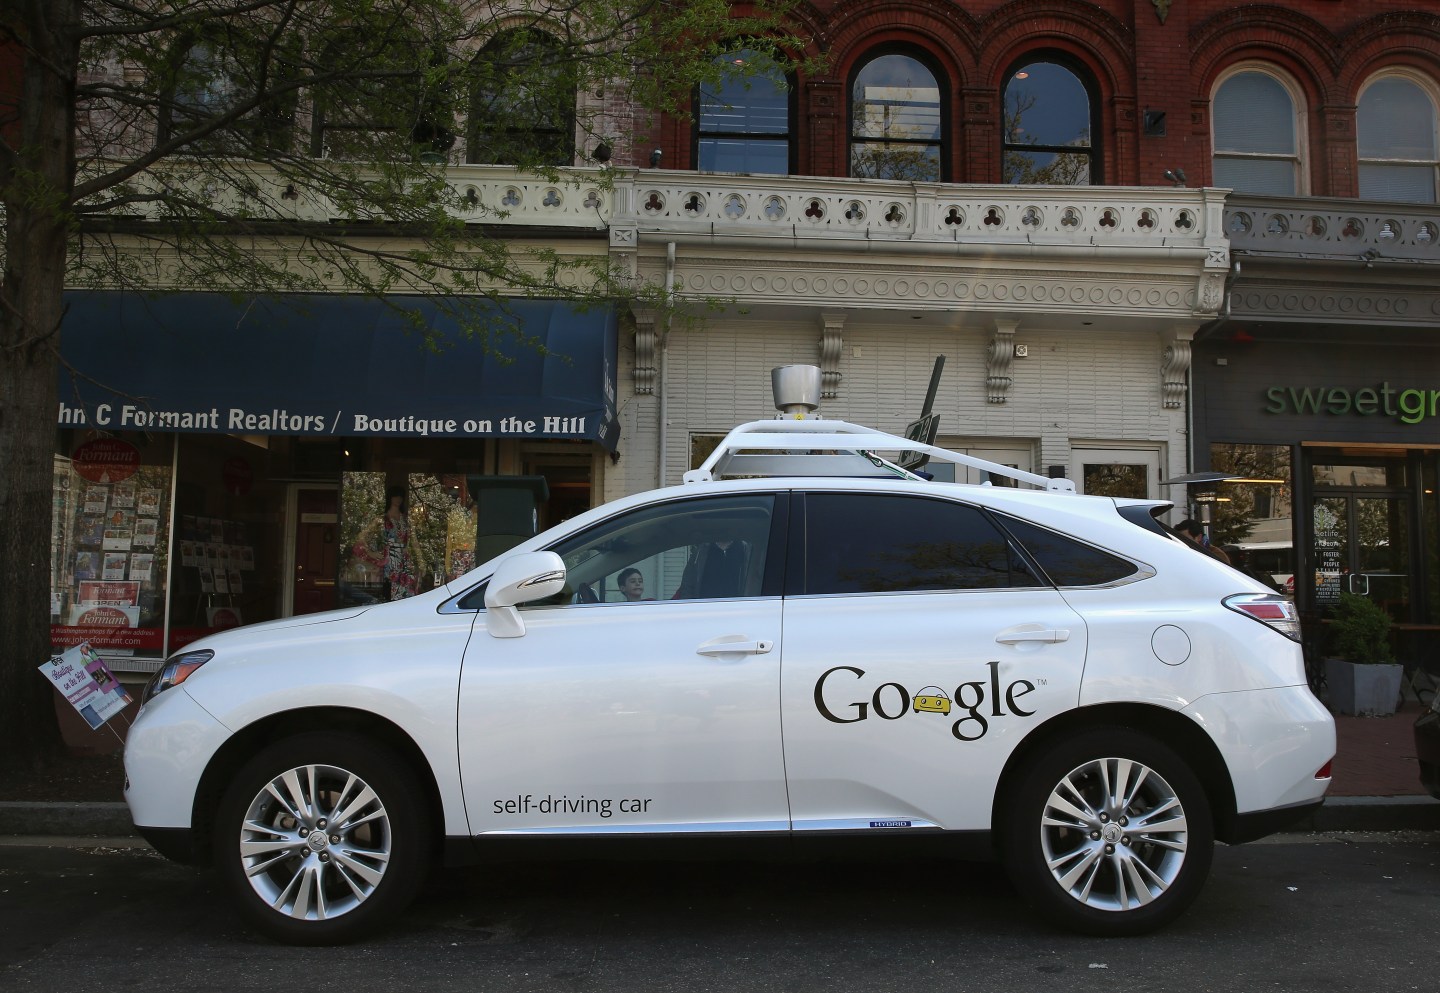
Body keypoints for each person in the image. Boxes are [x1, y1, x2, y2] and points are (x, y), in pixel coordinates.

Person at [354, 484, 426, 600]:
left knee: (407, 590)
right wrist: (371, 552)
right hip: (389, 560)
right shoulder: (381, 519)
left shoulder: (407, 520)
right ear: (390, 498)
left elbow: (414, 542)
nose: (398, 499)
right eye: (395, 496)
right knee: (391, 588)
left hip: (405, 560)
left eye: (400, 497)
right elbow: (361, 536)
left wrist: (421, 562)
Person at [675, 539, 750, 599]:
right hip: (704, 612)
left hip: (738, 611)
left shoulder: (745, 549)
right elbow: (687, 585)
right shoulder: (701, 552)